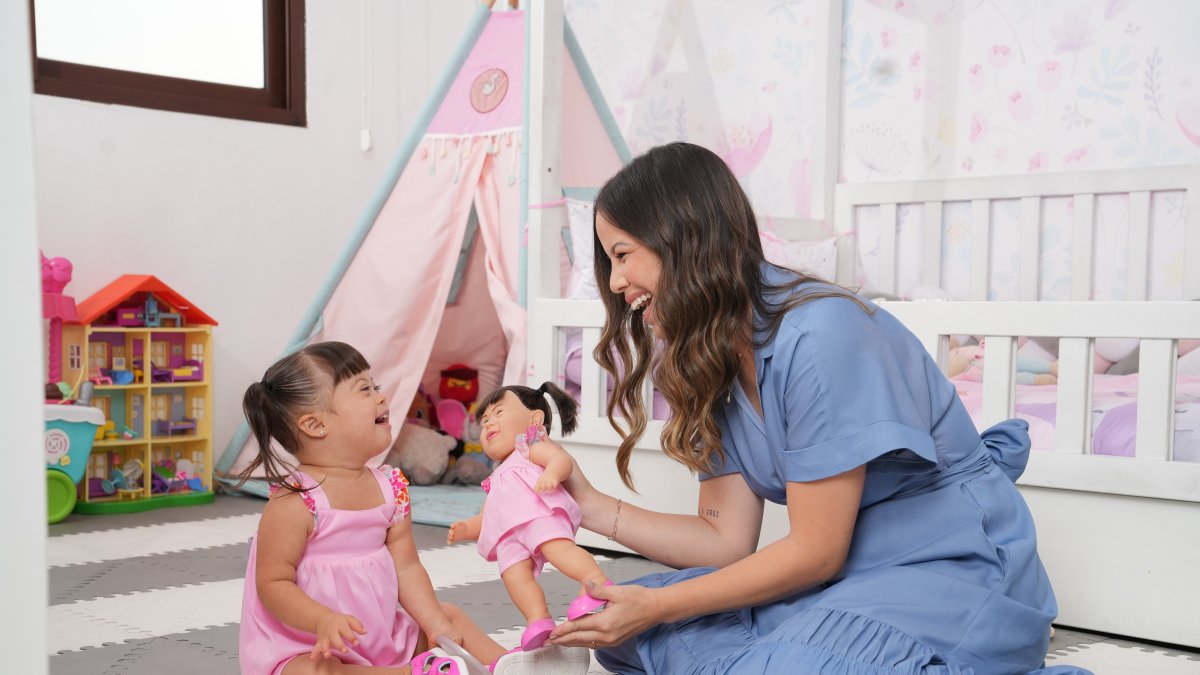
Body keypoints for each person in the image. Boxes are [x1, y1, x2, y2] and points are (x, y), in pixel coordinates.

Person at [544, 143, 1090, 675]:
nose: (615, 285)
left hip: (950, 568)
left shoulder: (820, 332)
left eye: (621, 256)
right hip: (853, 575)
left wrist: (663, 606)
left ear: (683, 239)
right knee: (618, 626)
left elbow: (816, 552)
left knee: (701, 632)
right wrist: (585, 506)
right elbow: (724, 544)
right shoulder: (713, 357)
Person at [235, 341, 587, 675]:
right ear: (316, 424)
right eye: (364, 389)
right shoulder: (296, 500)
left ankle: (509, 667)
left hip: (380, 632)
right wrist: (321, 620)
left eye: (375, 385)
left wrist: (434, 622)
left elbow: (406, 567)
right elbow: (273, 583)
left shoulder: (390, 487)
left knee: (449, 616)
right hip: (313, 641)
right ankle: (409, 672)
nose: (381, 396)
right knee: (315, 670)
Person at [447, 383, 612, 651]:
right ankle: (538, 618)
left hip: (538, 513)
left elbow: (561, 460)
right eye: (485, 420)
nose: (489, 424)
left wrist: (552, 474)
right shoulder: (496, 476)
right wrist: (467, 528)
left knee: (558, 549)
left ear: (534, 420)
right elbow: (488, 515)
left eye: (499, 413)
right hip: (510, 534)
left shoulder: (528, 447)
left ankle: (595, 581)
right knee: (513, 574)